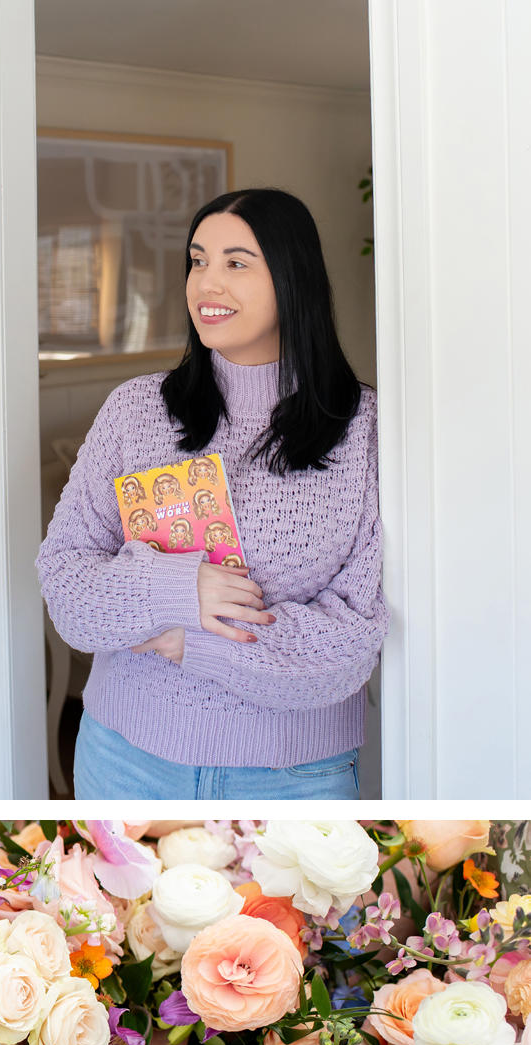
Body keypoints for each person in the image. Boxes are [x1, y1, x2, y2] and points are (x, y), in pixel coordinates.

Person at [37, 187, 386, 800]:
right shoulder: (136, 411)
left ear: (292, 279)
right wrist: (174, 588)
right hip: (124, 761)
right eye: (197, 261)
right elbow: (66, 584)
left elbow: (350, 643)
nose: (206, 284)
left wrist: (182, 638)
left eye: (236, 263)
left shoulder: (366, 430)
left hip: (295, 778)